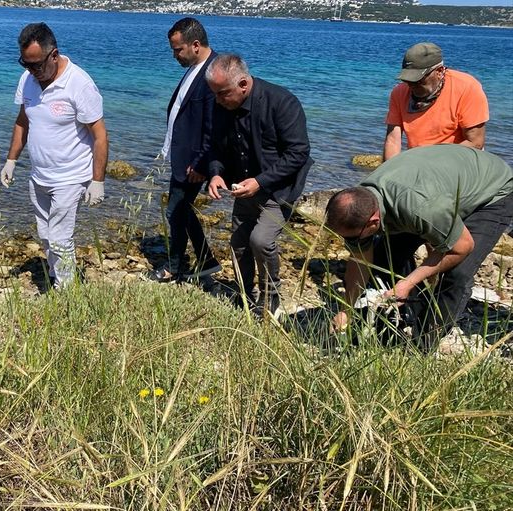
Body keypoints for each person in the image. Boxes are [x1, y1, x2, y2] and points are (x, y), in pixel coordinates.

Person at [326, 145, 513, 350]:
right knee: (384, 258)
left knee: (456, 273)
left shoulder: (421, 207)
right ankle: (403, 320)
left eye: (353, 238)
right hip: (438, 185)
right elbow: (361, 261)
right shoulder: (360, 203)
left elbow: (462, 247)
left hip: (493, 189)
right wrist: (346, 310)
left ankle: (423, 344)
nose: (350, 241)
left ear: (373, 222)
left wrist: (408, 282)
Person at [0, 22, 108, 289]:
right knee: (45, 234)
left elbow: (100, 135)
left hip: (71, 177)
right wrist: (11, 160)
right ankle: (55, 274)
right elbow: (22, 121)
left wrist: (98, 180)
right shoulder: (27, 79)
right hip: (39, 176)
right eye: (25, 64)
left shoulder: (79, 84)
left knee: (60, 237)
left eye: (36, 65)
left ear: (54, 55)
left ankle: (66, 290)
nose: (31, 71)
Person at [205, 54, 313, 317]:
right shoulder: (222, 105)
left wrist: (260, 182)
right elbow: (216, 148)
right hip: (243, 187)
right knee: (239, 244)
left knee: (261, 241)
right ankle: (244, 296)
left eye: (222, 93)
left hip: (279, 189)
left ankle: (269, 300)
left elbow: (298, 153)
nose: (217, 100)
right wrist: (216, 174)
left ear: (243, 84)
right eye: (214, 94)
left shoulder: (282, 102)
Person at [152, 17, 221, 282]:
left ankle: (175, 266)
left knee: (176, 210)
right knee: (182, 209)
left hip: (194, 161)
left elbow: (214, 126)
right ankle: (206, 261)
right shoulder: (196, 67)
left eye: (178, 50)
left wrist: (202, 163)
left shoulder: (213, 73)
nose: (174, 55)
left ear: (195, 45)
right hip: (184, 157)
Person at [383, 42, 489, 162]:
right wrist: (389, 170)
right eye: (408, 80)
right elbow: (392, 140)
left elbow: (475, 143)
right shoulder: (399, 93)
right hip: (419, 161)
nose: (412, 85)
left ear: (439, 71)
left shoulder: (467, 88)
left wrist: (431, 163)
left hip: (459, 160)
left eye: (418, 80)